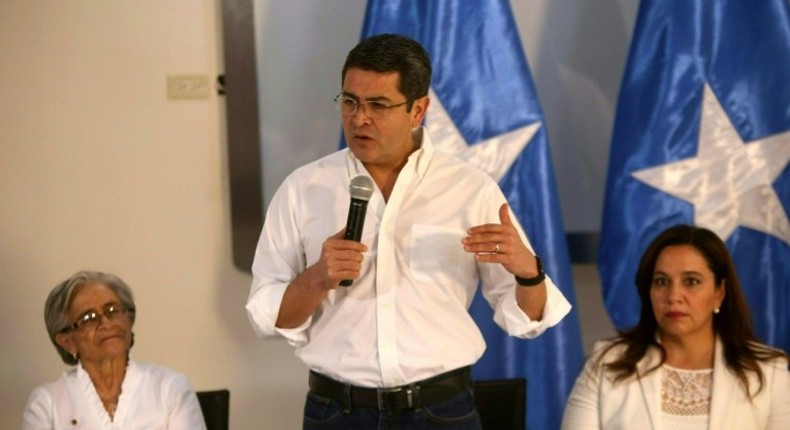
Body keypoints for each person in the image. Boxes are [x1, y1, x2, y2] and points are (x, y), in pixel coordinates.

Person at [246, 33, 571, 429]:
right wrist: (316, 279)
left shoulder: (469, 188)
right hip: (337, 413)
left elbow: (528, 320)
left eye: (378, 105)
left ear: (418, 110)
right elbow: (266, 316)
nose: (359, 118)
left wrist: (528, 272)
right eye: (349, 102)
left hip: (441, 412)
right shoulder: (303, 189)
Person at [561, 225, 790, 430]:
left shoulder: (769, 371)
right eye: (661, 281)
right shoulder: (606, 364)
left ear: (719, 293)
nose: (673, 296)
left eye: (691, 281)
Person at [22, 270, 206, 430]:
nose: (106, 323)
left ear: (128, 320)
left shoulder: (170, 388)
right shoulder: (47, 403)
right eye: (89, 318)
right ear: (67, 342)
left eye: (112, 310)